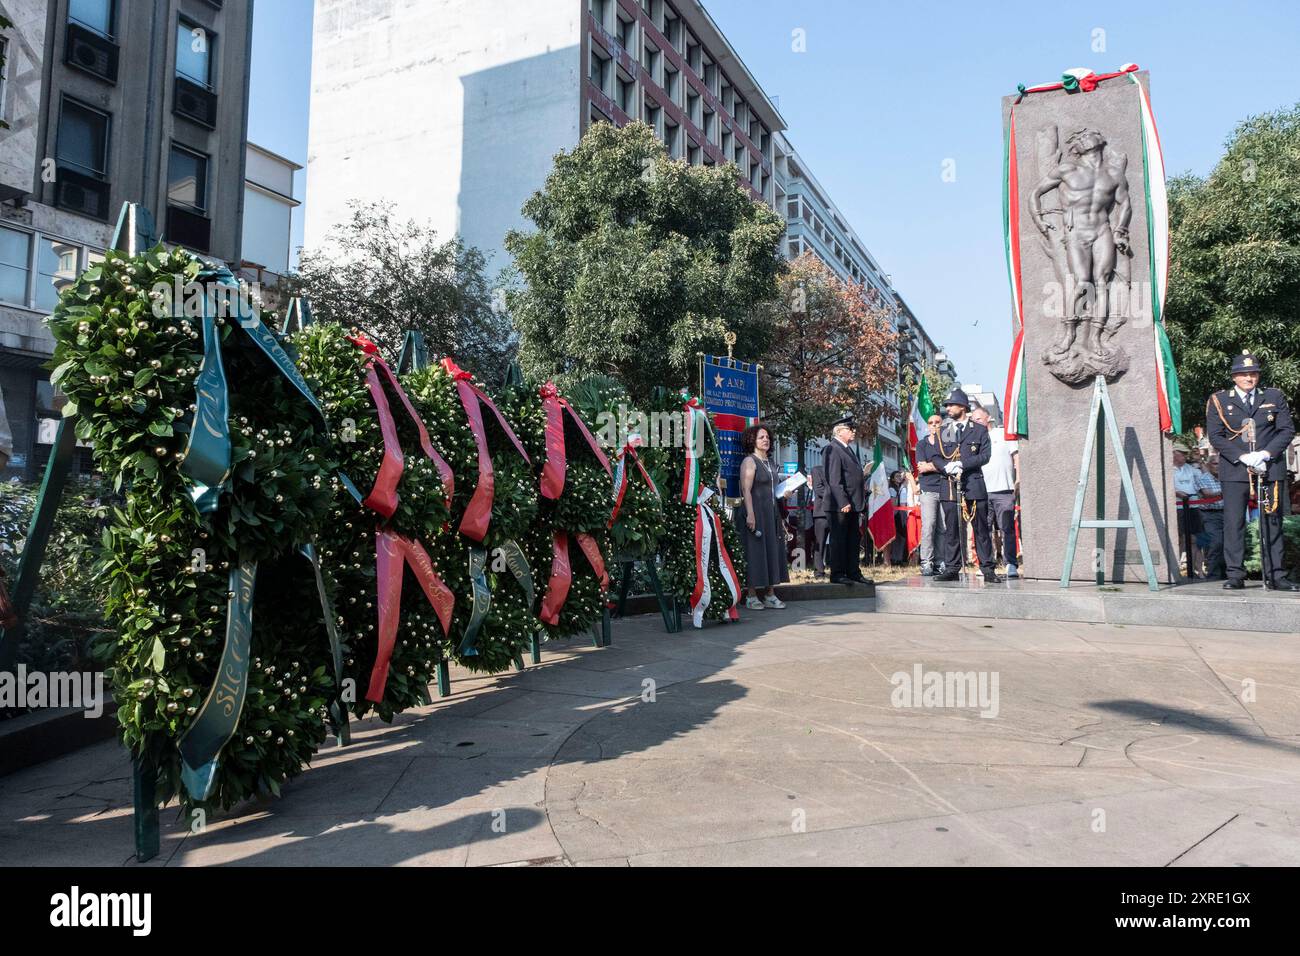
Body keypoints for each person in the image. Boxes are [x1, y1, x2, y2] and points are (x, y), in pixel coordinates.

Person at [1206, 351, 1298, 591]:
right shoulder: (1219, 400)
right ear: (1234, 377)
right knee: (1234, 522)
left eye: (1254, 373)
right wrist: (1242, 456)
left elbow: (1286, 430)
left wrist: (1265, 454)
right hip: (1236, 469)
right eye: (1244, 374)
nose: (1249, 378)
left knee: (1272, 520)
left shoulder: (1273, 397)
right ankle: (1235, 574)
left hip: (1269, 467)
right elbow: (1215, 435)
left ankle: (1276, 574)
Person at [925, 390, 1002, 583]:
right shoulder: (944, 431)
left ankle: (987, 568)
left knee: (981, 529)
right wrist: (946, 467)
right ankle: (952, 567)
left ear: (963, 407)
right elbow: (934, 456)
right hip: (950, 485)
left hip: (973, 484)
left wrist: (962, 464)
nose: (948, 408)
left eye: (951, 405)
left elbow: (985, 456)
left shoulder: (979, 430)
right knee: (951, 529)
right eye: (947, 406)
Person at [735, 423, 792, 609]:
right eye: (761, 437)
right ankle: (751, 595)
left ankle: (770, 593)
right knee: (754, 551)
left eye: (767, 437)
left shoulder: (771, 462)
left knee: (773, 550)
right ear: (752, 440)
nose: (766, 439)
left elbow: (773, 489)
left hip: (771, 513)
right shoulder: (749, 461)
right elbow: (746, 489)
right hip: (755, 511)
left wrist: (784, 494)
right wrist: (750, 514)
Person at [971, 407, 1019, 578]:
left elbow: (1016, 457)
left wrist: (1018, 478)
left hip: (1004, 489)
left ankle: (1011, 563)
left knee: (1007, 528)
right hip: (982, 491)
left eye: (978, 419)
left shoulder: (1003, 434)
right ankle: (986, 564)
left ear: (988, 418)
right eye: (973, 420)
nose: (975, 422)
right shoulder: (973, 439)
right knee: (983, 530)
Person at [822, 415, 868, 585]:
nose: (853, 431)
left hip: (854, 502)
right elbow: (834, 479)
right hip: (839, 505)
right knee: (839, 540)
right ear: (839, 431)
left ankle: (853, 572)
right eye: (850, 429)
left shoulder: (848, 449)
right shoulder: (832, 449)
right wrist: (843, 501)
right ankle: (838, 573)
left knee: (853, 540)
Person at [913, 412, 945, 575]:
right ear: (927, 425)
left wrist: (932, 465)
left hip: (946, 488)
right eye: (931, 422)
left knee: (943, 527)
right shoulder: (922, 444)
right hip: (928, 489)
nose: (934, 424)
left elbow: (951, 462)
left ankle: (941, 561)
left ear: (942, 423)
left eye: (937, 422)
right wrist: (941, 466)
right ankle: (926, 561)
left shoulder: (948, 443)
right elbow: (921, 467)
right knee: (929, 525)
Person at [1172, 448, 1205, 577]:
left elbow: (1204, 477)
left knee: (1196, 539)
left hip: (1193, 506)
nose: (1184, 457)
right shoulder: (1169, 469)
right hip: (1178, 507)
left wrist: (1200, 461)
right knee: (1179, 539)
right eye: (1181, 454)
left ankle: (1199, 570)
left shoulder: (1190, 468)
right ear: (1174, 456)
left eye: (1185, 454)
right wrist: (1176, 492)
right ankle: (1176, 569)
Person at [1195, 455, 1225, 579]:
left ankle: (1226, 573)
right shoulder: (1203, 478)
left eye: (1220, 464)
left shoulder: (1226, 479)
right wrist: (1227, 491)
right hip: (1210, 515)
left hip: (1226, 513)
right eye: (1215, 464)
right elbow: (1208, 495)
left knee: (1228, 543)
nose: (1218, 467)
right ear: (1208, 465)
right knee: (1216, 542)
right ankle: (1213, 574)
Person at [808, 463, 829, 578]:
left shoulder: (839, 469)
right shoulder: (817, 469)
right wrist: (838, 494)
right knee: (819, 544)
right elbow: (819, 489)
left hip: (837, 513)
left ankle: (838, 570)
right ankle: (819, 571)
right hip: (821, 513)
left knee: (836, 544)